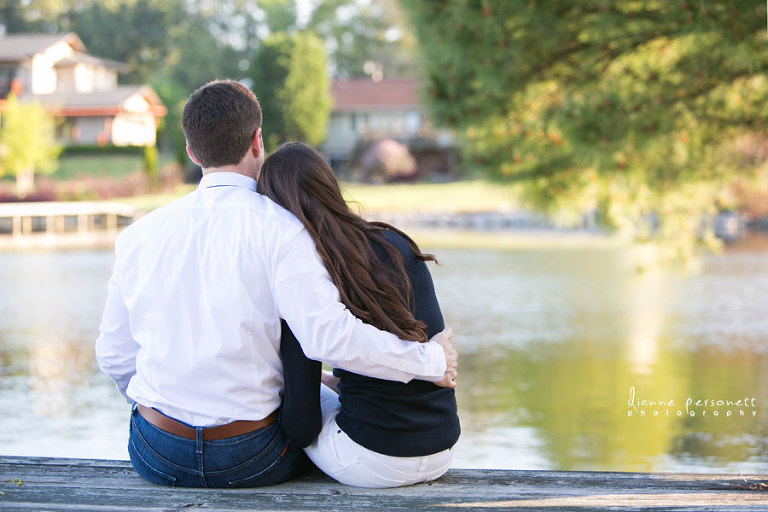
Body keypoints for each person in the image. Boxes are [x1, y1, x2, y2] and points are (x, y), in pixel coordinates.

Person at [94, 79, 458, 488]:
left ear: (192, 152)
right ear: (257, 141)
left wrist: (163, 411)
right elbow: (328, 338)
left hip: (158, 453)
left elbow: (113, 356)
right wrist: (429, 361)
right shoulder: (283, 229)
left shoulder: (138, 236)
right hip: (249, 456)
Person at [258, 142, 460, 488]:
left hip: (373, 459)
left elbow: (302, 428)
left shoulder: (306, 274)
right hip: (442, 447)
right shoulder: (394, 244)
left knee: (282, 391)